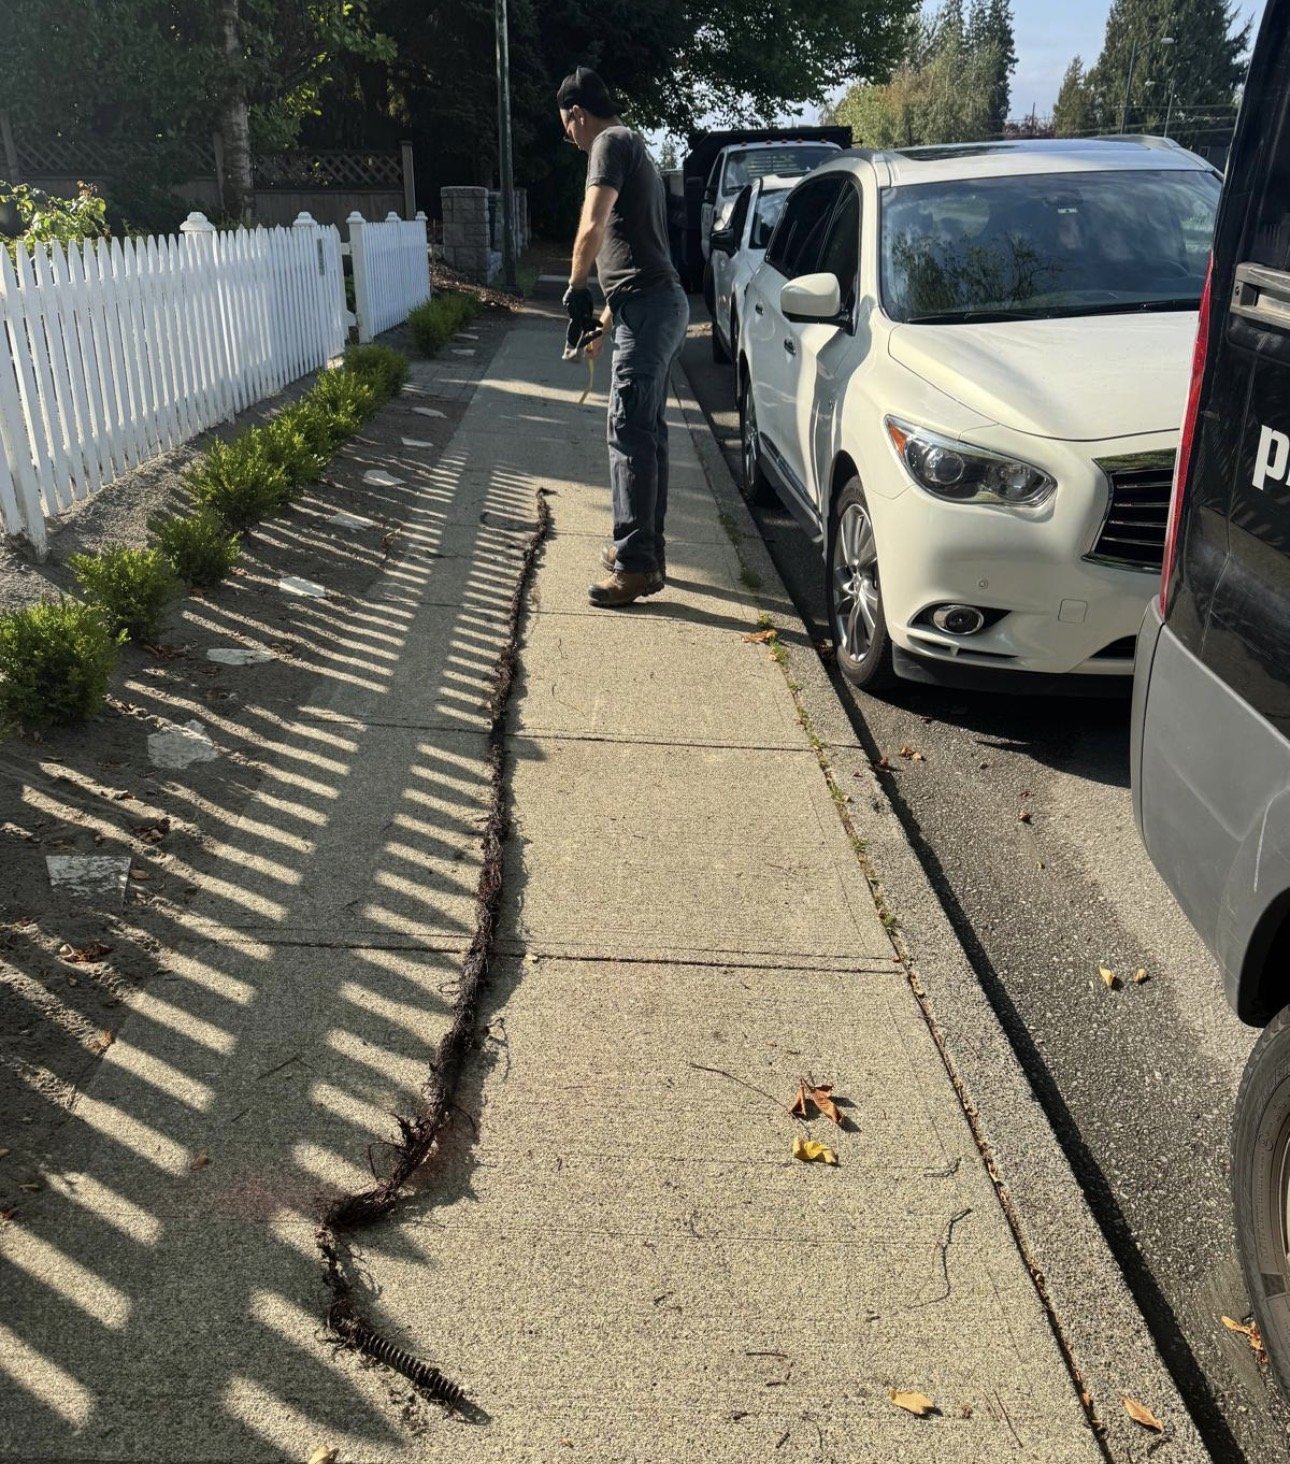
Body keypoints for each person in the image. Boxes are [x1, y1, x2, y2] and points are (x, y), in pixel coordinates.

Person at [557, 67, 690, 608]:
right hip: (653, 305)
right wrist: (603, 323)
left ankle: (635, 565)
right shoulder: (637, 145)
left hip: (651, 308)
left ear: (577, 115)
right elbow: (634, 253)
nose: (569, 136)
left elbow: (594, 222)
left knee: (629, 431)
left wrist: (574, 290)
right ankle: (645, 551)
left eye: (566, 126)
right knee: (646, 431)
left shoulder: (608, 144)